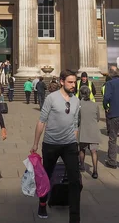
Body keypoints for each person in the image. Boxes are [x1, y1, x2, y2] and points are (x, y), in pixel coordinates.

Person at [31, 69, 81, 223]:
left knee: (75, 181)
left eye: (74, 82)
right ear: (61, 81)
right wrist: (35, 144)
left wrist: (76, 143)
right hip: (51, 144)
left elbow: (75, 124)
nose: (73, 85)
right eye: (70, 82)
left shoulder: (76, 100)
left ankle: (74, 217)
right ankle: (42, 204)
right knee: (46, 177)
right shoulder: (51, 98)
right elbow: (42, 121)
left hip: (70, 145)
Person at [78, 85, 100, 179]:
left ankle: (82, 165)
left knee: (82, 149)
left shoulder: (78, 105)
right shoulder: (95, 105)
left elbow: (77, 118)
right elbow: (98, 118)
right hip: (93, 130)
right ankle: (95, 171)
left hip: (82, 129)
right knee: (93, 151)